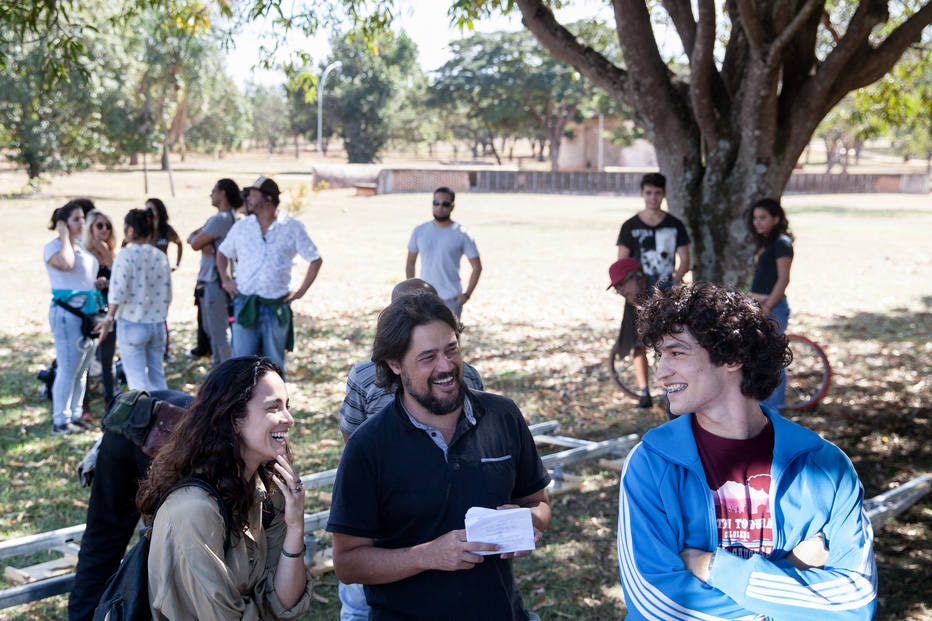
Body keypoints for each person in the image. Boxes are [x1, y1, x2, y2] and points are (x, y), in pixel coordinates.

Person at [616, 282, 877, 620]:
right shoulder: (649, 465)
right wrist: (790, 572)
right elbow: (658, 605)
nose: (661, 372)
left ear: (732, 356)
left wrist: (713, 567)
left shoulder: (826, 467)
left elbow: (854, 603)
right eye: (659, 355)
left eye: (677, 352)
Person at [327, 293, 551, 620]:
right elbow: (347, 563)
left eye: (451, 349)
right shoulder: (367, 446)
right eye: (428, 357)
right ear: (394, 364)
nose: (446, 366)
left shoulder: (502, 416)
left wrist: (525, 522)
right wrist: (427, 556)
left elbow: (539, 503)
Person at [336, 278, 486, 621]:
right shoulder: (364, 377)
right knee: (363, 600)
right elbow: (354, 441)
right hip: (382, 510)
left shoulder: (469, 378)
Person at [137, 356, 314, 619]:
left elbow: (283, 602)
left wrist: (295, 525)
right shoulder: (192, 512)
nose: (289, 419)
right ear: (234, 419)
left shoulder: (265, 487)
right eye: (273, 408)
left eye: (287, 406)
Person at [68, 389, 192, 621]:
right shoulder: (226, 434)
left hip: (132, 420)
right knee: (165, 552)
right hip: (157, 436)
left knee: (103, 540)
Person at [217, 176, 323, 374]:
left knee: (274, 366)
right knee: (241, 365)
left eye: (253, 195)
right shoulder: (242, 226)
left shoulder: (292, 227)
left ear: (268, 199)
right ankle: (240, 404)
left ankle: (276, 403)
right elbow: (223, 253)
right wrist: (226, 280)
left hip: (275, 306)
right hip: (245, 303)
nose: (248, 198)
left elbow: (315, 259)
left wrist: (301, 291)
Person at [97, 209, 172, 391]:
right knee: (157, 379)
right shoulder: (160, 256)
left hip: (132, 322)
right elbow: (168, 293)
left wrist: (109, 318)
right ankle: (164, 415)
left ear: (130, 230)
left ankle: (144, 418)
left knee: (137, 382)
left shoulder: (125, 255)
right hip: (156, 323)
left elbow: (118, 291)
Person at [44, 200, 101, 434]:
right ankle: (61, 420)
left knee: (82, 369)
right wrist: (64, 235)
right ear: (63, 223)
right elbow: (66, 265)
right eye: (76, 219)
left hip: (87, 314)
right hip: (67, 315)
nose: (81, 222)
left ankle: (75, 414)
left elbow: (84, 276)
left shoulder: (81, 248)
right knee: (68, 367)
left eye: (82, 218)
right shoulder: (54, 247)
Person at [405, 186, 482, 319]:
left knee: (450, 339)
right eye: (436, 203)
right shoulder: (420, 231)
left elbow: (477, 267)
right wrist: (413, 290)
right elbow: (410, 262)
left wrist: (466, 295)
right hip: (424, 298)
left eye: (445, 204)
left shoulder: (462, 233)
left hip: (451, 299)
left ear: (452, 206)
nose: (440, 207)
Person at [187, 179, 242, 366]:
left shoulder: (221, 219)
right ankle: (219, 369)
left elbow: (194, 242)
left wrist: (202, 241)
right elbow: (193, 237)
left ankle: (225, 372)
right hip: (219, 281)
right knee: (215, 330)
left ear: (223, 193)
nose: (211, 195)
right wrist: (204, 240)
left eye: (214, 191)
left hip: (214, 281)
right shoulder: (230, 218)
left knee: (217, 331)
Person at [747, 197, 794, 411]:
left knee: (772, 359)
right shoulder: (766, 242)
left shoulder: (782, 243)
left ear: (776, 218)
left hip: (774, 307)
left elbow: (783, 279)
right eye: (755, 218)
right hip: (761, 304)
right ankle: (762, 405)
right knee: (759, 357)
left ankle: (774, 408)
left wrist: (767, 306)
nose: (758, 222)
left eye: (763, 218)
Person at [616, 172, 690, 293]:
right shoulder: (629, 226)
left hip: (666, 292)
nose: (653, 198)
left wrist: (674, 284)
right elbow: (622, 262)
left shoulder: (675, 225)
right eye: (648, 193)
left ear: (664, 193)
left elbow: (685, 259)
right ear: (642, 193)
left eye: (658, 193)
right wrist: (631, 288)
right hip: (637, 292)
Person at [82, 209, 118, 411]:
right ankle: (84, 402)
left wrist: (107, 254)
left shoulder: (112, 252)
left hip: (109, 312)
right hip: (89, 311)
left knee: (107, 358)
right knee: (86, 358)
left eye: (108, 226)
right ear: (90, 228)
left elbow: (119, 281)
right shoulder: (84, 253)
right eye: (99, 225)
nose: (104, 230)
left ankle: (110, 402)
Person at [607, 257, 653, 408]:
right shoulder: (631, 300)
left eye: (622, 284)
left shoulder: (660, 290)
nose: (620, 291)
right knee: (636, 345)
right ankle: (644, 394)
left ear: (638, 276)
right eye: (617, 288)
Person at [145, 197, 183, 270]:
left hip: (162, 269)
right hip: (145, 269)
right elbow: (126, 241)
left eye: (151, 209)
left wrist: (177, 263)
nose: (148, 212)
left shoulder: (167, 229)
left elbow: (179, 243)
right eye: (146, 210)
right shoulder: (142, 228)